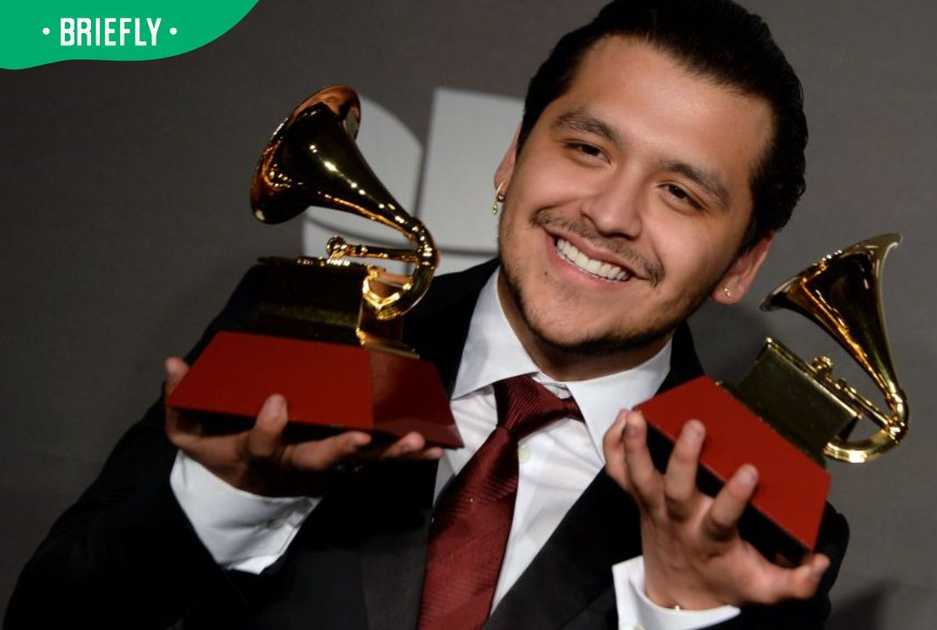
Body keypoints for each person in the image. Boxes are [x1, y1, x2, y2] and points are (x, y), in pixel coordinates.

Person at [6, 1, 848, 628]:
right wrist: (222, 499)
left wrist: (679, 611)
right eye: (586, 149)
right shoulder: (300, 339)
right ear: (512, 158)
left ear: (743, 262)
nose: (611, 213)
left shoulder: (758, 520)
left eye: (680, 192)